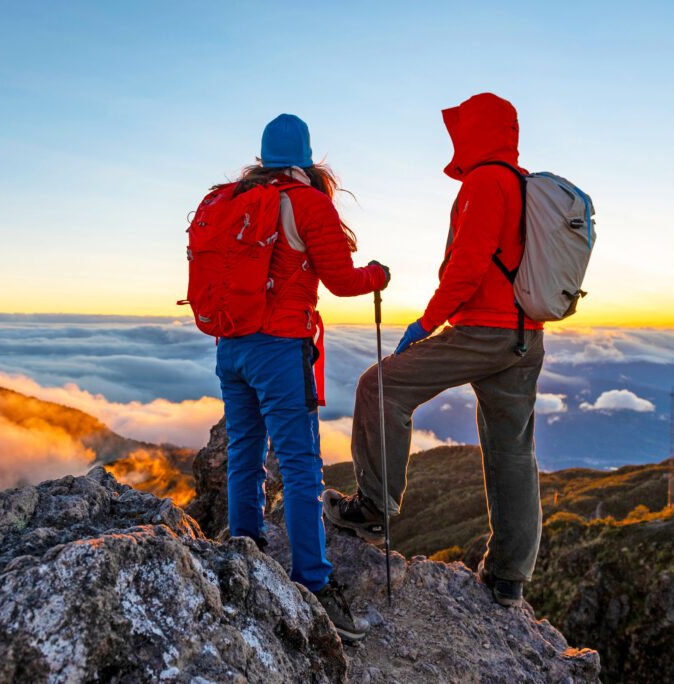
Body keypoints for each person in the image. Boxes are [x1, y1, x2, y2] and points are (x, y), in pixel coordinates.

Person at [322, 93, 545, 608]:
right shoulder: (521, 182)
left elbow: (467, 265)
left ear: (476, 132)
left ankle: (373, 509)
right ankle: (509, 578)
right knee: (513, 451)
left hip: (482, 332)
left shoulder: (485, 181)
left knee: (380, 386)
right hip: (524, 335)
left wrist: (425, 322)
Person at [213, 114, 389, 642]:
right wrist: (377, 276)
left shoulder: (232, 201)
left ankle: (244, 547)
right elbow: (339, 280)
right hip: (280, 348)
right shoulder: (309, 203)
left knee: (245, 448)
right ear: (306, 157)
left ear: (263, 157)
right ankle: (313, 584)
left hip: (230, 345)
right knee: (301, 465)